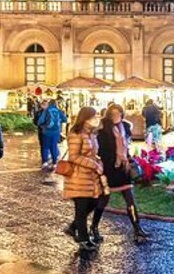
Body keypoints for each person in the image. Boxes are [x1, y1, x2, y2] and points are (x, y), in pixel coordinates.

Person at [95, 103, 147, 240]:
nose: (116, 116)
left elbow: (126, 146)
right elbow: (101, 151)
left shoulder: (125, 127)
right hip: (110, 168)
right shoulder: (103, 129)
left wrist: (127, 158)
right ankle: (94, 227)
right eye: (113, 114)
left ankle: (137, 228)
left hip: (124, 168)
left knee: (130, 199)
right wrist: (115, 158)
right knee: (104, 199)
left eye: (118, 113)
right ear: (109, 115)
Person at [64, 107, 106, 250]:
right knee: (81, 208)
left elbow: (94, 153)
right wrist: (94, 165)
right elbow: (73, 156)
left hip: (91, 176)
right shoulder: (76, 134)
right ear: (86, 118)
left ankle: (73, 227)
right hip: (79, 176)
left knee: (95, 201)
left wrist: (98, 162)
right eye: (94, 117)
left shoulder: (92, 133)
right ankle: (84, 239)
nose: (97, 119)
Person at [35, 99, 67, 171]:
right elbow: (65, 119)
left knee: (45, 147)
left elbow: (40, 121)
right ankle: (54, 163)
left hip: (46, 132)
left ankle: (45, 163)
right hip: (56, 132)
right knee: (54, 147)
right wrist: (59, 121)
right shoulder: (58, 111)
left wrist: (42, 125)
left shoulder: (47, 110)